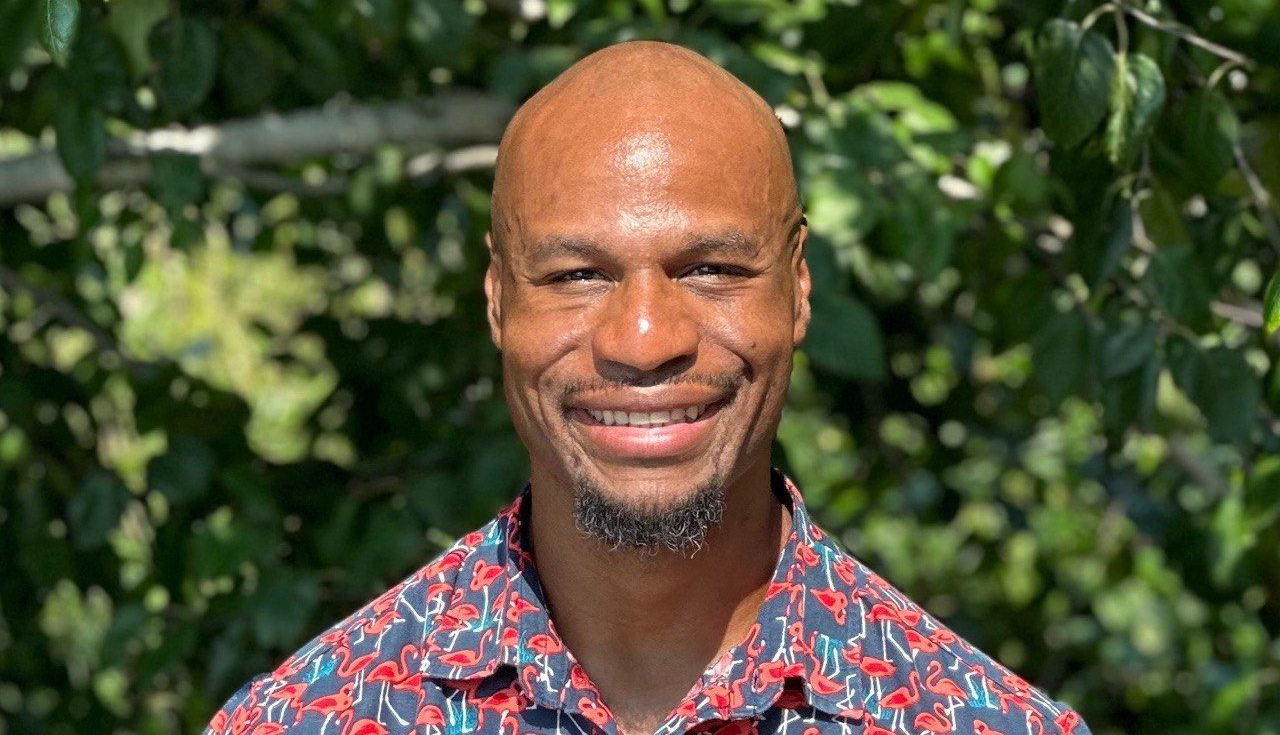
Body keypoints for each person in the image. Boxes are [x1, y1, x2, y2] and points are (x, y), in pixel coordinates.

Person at [206, 41, 1089, 735]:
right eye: (579, 275)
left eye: (709, 269)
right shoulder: (312, 719)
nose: (645, 341)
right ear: (496, 300)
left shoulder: (975, 722)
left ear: (800, 290)